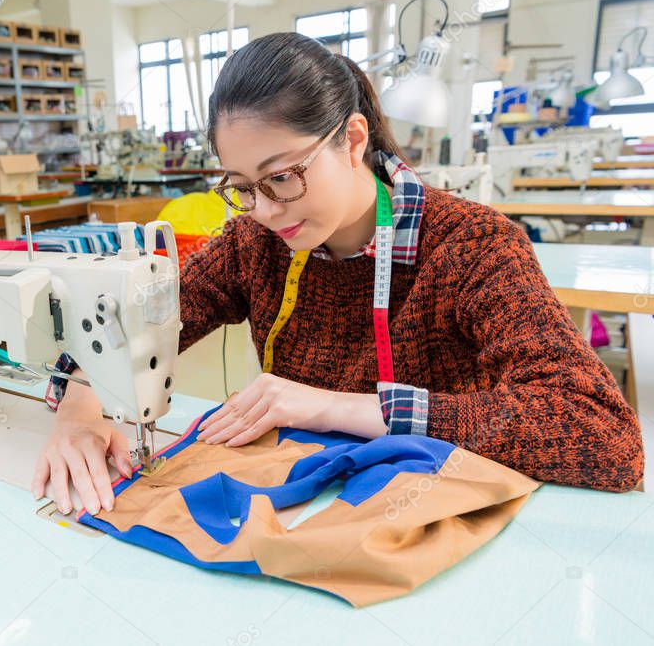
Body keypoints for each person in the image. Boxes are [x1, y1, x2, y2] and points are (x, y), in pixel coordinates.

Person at [32, 32, 643, 516]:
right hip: (309, 507)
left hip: (434, 519)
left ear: (352, 138)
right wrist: (81, 407)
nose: (267, 210)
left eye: (283, 176)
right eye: (242, 188)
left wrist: (338, 408)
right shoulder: (256, 241)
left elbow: (603, 436)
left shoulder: (472, 247)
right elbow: (143, 322)